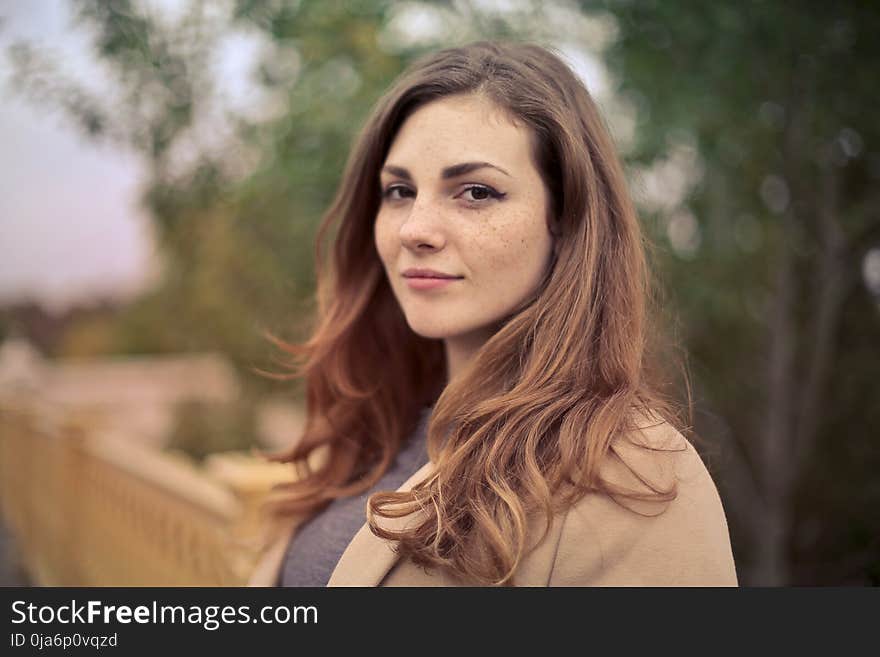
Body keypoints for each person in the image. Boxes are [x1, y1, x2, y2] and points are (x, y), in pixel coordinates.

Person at [248, 40, 737, 587]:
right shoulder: (373, 429)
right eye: (399, 191)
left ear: (565, 219)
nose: (415, 229)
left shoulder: (634, 473)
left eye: (476, 192)